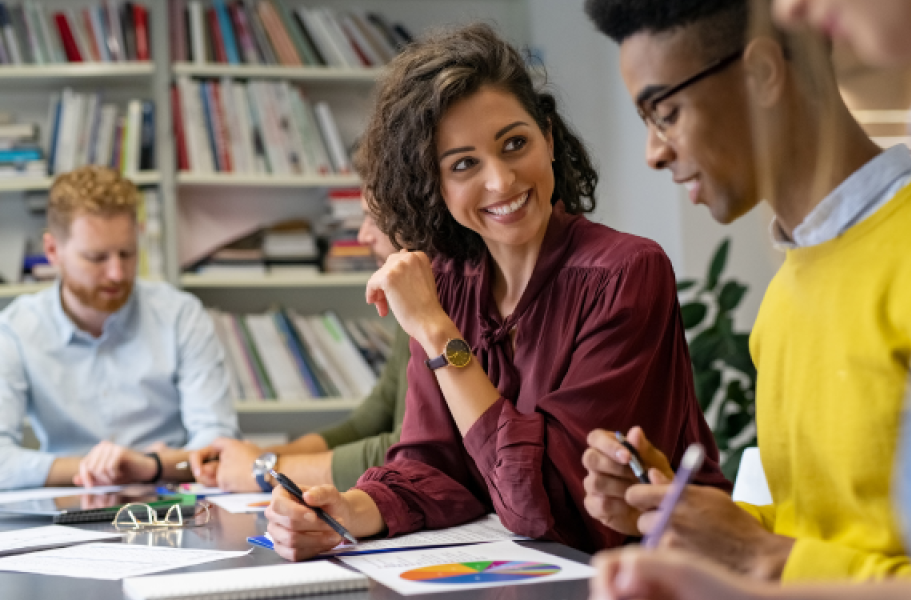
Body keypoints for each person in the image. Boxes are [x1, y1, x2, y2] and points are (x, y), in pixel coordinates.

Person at [265, 22, 731, 562]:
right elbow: (431, 466)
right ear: (433, 185)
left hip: (661, 574)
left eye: (515, 144)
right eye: (464, 164)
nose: (502, 181)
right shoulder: (448, 281)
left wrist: (438, 333)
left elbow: (548, 505)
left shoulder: (626, 273)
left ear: (549, 139)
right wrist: (349, 512)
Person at [588, 0, 911, 598]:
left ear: (762, 72)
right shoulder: (783, 298)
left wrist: (770, 558)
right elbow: (784, 524)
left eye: (665, 113)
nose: (653, 152)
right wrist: (685, 515)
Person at [0, 166, 238, 490]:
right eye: (97, 258)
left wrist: (149, 467)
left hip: (168, 500)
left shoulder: (180, 315)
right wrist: (97, 467)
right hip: (67, 504)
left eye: (127, 254)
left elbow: (218, 446)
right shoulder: (15, 330)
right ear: (53, 251)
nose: (117, 273)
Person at [189, 195, 411, 493]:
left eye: (375, 219)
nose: (362, 236)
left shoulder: (433, 305)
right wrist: (265, 457)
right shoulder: (408, 303)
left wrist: (266, 470)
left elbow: (407, 449)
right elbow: (368, 421)